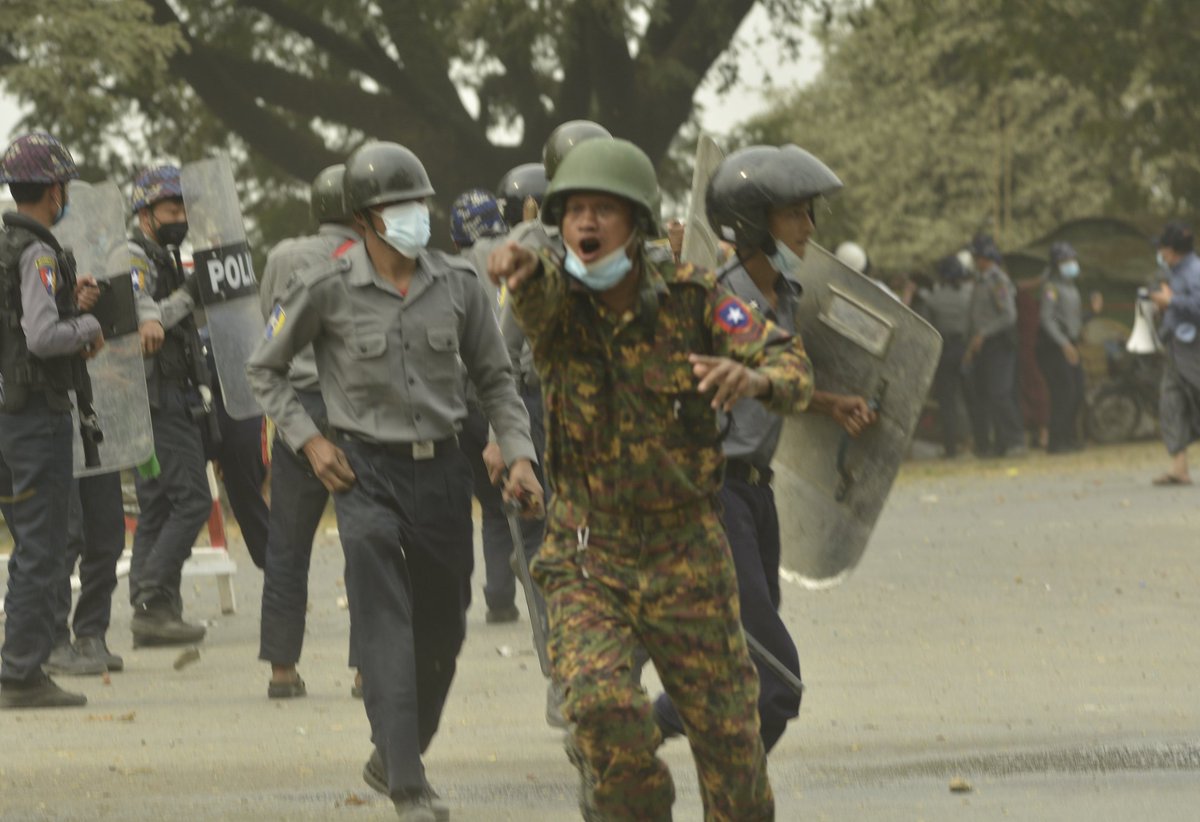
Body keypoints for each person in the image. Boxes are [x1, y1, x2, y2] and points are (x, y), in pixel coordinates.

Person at [488, 137, 815, 820]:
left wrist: (753, 376)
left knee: (735, 757)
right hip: (588, 557)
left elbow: (788, 364)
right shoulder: (555, 304)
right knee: (603, 713)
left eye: (603, 209)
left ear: (637, 221)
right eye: (574, 210)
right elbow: (537, 292)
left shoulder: (696, 300)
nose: (585, 223)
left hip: (687, 558)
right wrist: (521, 267)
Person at [247, 141, 542, 822]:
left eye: (418, 204)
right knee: (385, 624)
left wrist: (516, 450)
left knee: (444, 632)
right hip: (364, 475)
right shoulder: (324, 288)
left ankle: (392, 758)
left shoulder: (461, 287)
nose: (414, 217)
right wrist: (310, 439)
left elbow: (497, 382)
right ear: (365, 220)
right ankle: (409, 786)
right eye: (397, 207)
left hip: (442, 473)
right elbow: (264, 369)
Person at [649, 144, 876, 755]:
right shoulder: (708, 296)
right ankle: (719, 781)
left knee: (738, 660)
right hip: (712, 496)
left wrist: (830, 403)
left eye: (809, 213)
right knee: (774, 679)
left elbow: (771, 384)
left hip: (756, 495)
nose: (809, 229)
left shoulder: (787, 296)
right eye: (795, 215)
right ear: (752, 226)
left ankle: (647, 729)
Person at [0, 132, 104, 708]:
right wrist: (89, 328)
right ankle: (21, 674)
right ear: (55, 189)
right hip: (35, 417)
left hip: (7, 416)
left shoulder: (6, 245)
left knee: (29, 546)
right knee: (44, 547)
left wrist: (71, 302)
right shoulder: (37, 252)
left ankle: (19, 664)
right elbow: (41, 339)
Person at [257, 164, 361, 699]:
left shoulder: (280, 255)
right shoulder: (370, 258)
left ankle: (281, 669)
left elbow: (267, 331)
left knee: (287, 546)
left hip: (294, 415)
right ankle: (368, 669)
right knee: (369, 540)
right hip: (353, 413)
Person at [126, 164, 212, 646]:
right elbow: (149, 324)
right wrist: (188, 294)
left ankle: (152, 612)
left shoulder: (167, 255)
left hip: (165, 396)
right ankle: (153, 599)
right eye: (170, 208)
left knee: (157, 505)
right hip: (157, 399)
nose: (179, 216)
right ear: (144, 214)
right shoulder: (136, 255)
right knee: (193, 499)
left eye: (183, 208)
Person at [447, 187, 532, 625]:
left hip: (466, 405)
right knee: (532, 497)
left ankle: (499, 598)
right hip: (515, 397)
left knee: (491, 504)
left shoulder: (450, 269)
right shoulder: (523, 252)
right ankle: (543, 592)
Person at [1148, 221, 1200, 486]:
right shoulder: (1176, 272)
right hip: (1177, 349)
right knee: (1172, 403)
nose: (1161, 254)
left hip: (1194, 350)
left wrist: (1171, 301)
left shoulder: (1194, 271)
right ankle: (1179, 467)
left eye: (1163, 249)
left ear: (1172, 250)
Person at [965, 234, 1025, 457]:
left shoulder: (997, 281)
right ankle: (998, 445)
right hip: (982, 347)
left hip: (998, 344)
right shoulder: (979, 280)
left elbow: (1009, 315)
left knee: (1000, 393)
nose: (973, 260)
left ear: (984, 257)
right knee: (985, 395)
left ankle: (1016, 440)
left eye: (976, 255)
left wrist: (984, 333)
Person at [919, 255, 974, 458]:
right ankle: (974, 441)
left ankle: (951, 447)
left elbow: (927, 327)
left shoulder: (932, 299)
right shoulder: (968, 296)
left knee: (947, 399)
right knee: (970, 397)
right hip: (966, 349)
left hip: (945, 350)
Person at [1036, 241, 1085, 453]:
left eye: (1072, 259)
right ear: (1056, 264)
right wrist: (1064, 343)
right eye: (1066, 261)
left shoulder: (1071, 286)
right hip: (1054, 346)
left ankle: (1069, 437)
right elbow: (1046, 319)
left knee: (1076, 391)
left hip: (1070, 343)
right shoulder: (1051, 288)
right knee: (1063, 392)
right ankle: (1057, 442)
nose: (1071, 264)